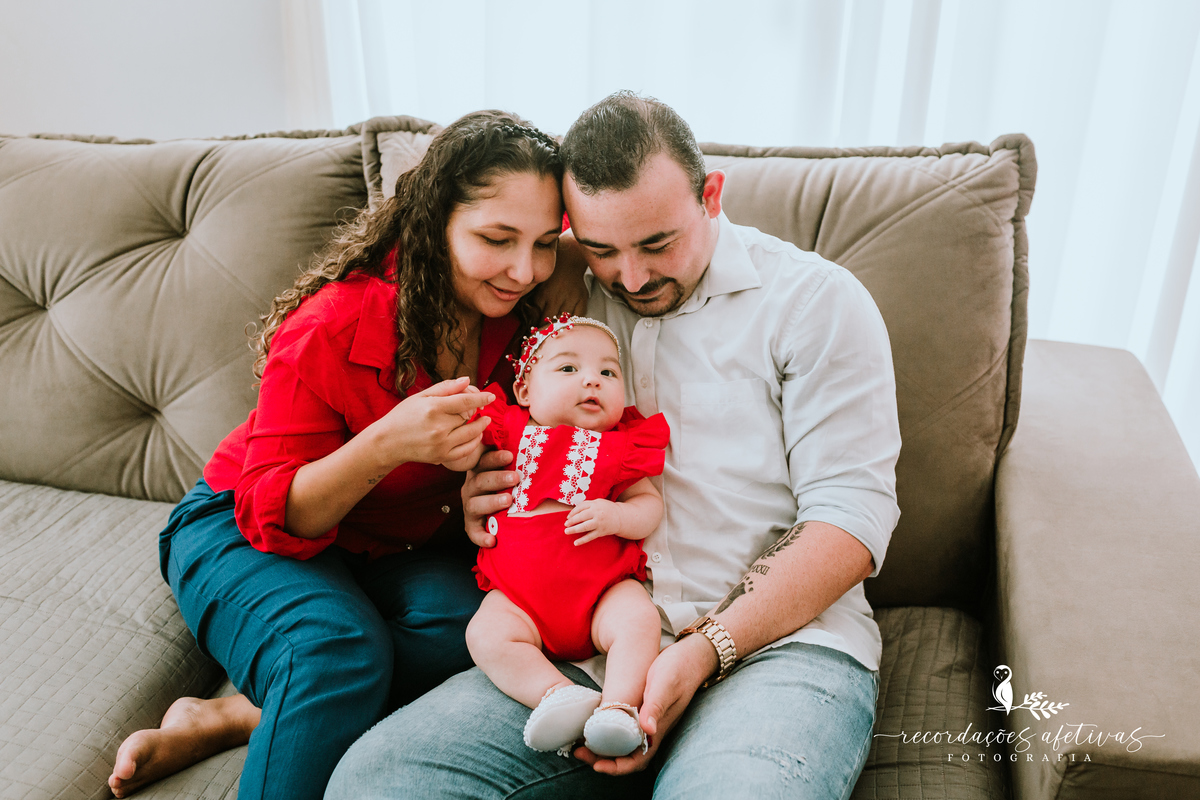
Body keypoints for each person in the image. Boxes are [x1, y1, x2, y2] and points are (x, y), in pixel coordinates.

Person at [326, 91, 902, 799]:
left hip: (776, 650)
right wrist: (485, 490)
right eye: (602, 249)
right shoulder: (561, 300)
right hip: (580, 649)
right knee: (375, 781)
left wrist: (701, 652)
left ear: (711, 194)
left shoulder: (815, 303)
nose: (631, 279)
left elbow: (850, 522)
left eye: (658, 244)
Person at [106, 110, 567, 800]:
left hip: (381, 549)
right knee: (333, 648)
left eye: (544, 244)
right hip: (240, 526)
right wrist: (388, 442)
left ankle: (242, 714)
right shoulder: (333, 322)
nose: (524, 270)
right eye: (496, 239)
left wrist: (478, 499)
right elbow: (271, 512)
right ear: (430, 222)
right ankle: (299, 697)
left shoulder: (526, 322)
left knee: (482, 626)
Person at [465, 314, 669, 758]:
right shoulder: (505, 433)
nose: (592, 381)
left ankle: (618, 707)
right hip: (519, 600)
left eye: (608, 372)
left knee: (638, 620)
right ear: (524, 391)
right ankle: (557, 695)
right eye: (569, 369)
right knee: (485, 633)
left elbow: (649, 505)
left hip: (601, 593)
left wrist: (616, 515)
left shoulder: (618, 447)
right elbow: (463, 461)